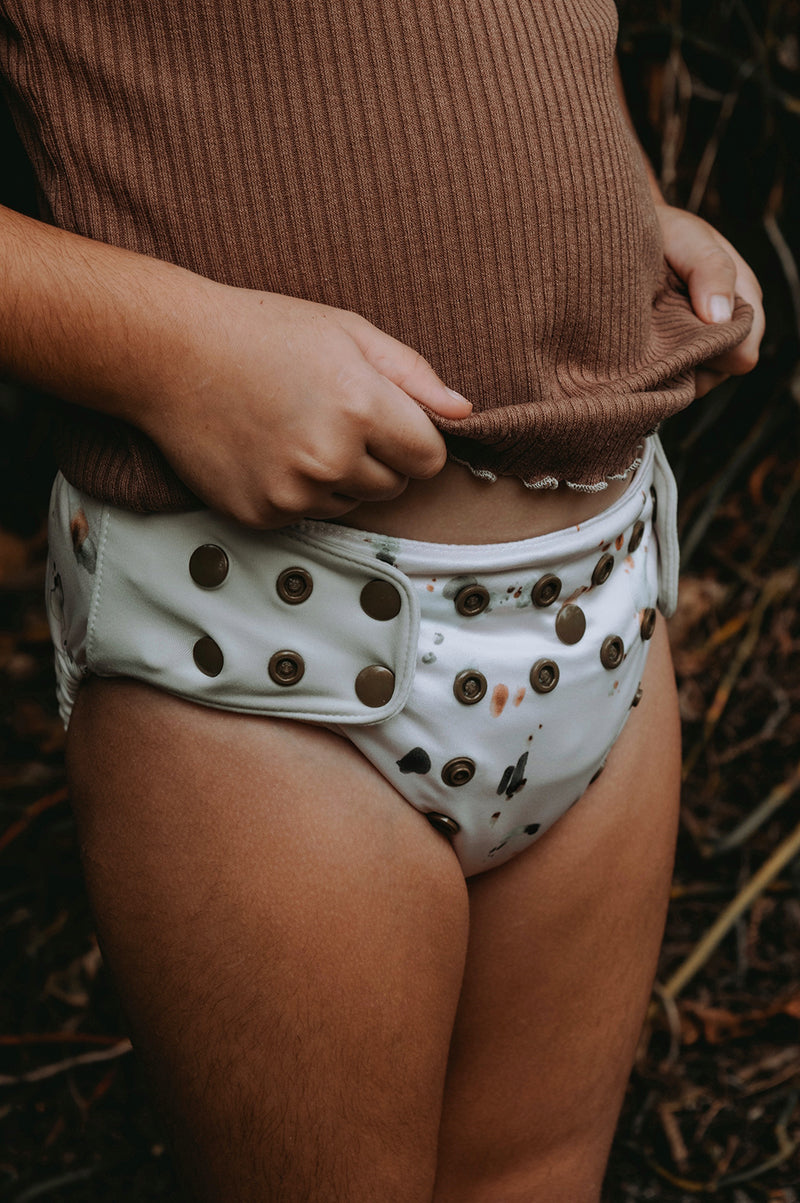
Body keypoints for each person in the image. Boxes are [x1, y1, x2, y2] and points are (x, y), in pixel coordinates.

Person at [0, 1, 763, 1198]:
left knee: (536, 1178)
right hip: (267, 659)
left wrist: (606, 211)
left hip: (606, 595)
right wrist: (170, 350)